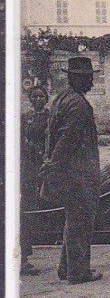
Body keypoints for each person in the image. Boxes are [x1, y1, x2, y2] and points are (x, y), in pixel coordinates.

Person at [40, 57, 102, 284]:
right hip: (78, 174)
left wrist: (50, 165)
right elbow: (67, 140)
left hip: (68, 172)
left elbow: (53, 137)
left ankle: (66, 267)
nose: (92, 83)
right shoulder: (78, 104)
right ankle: (78, 272)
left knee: (73, 219)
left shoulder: (61, 99)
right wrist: (54, 166)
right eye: (89, 78)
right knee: (81, 222)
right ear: (78, 78)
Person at [20, 85, 50, 275]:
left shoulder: (49, 117)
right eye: (34, 96)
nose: (38, 99)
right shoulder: (26, 117)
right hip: (29, 160)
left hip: (43, 157)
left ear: (46, 99)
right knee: (28, 195)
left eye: (41, 96)